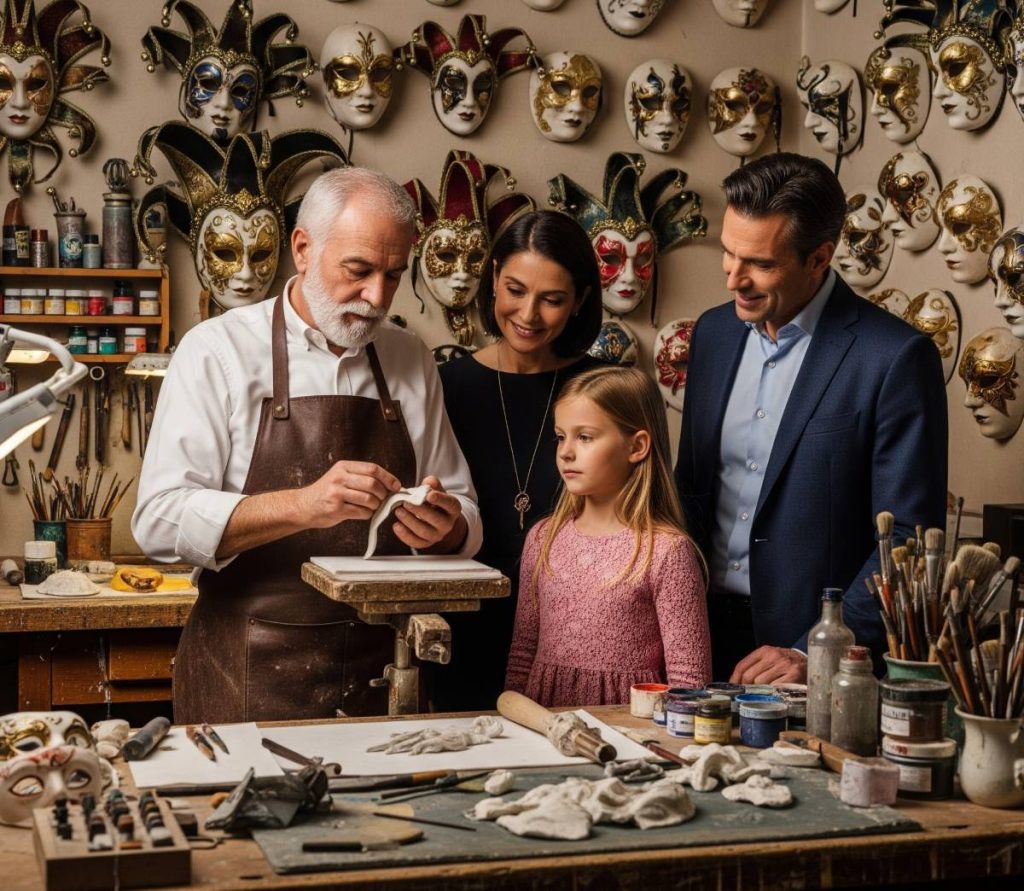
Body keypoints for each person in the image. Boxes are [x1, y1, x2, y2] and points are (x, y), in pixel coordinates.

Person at [132, 167, 482, 723]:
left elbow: (463, 509)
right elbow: (156, 523)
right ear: (302, 248)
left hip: (383, 673)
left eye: (393, 275)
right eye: (359, 271)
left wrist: (448, 526)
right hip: (247, 674)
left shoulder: (409, 357)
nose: (376, 297)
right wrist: (303, 504)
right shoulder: (217, 351)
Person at [674, 152, 947, 685]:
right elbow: (690, 491)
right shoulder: (712, 334)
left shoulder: (894, 357)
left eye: (759, 264)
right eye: (728, 255)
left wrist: (814, 648)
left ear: (820, 257)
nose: (734, 280)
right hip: (695, 637)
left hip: (813, 660)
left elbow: (908, 539)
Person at [432, 210, 604, 711]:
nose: (528, 314)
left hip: (576, 631)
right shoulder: (446, 385)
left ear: (579, 303)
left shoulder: (605, 389)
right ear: (492, 281)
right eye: (515, 289)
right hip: (464, 624)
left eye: (552, 299)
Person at [506, 367, 711, 707]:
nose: (566, 452)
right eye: (561, 436)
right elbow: (522, 654)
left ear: (637, 446)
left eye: (584, 437)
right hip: (544, 729)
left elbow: (690, 683)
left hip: (633, 735)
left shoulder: (666, 551)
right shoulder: (543, 538)